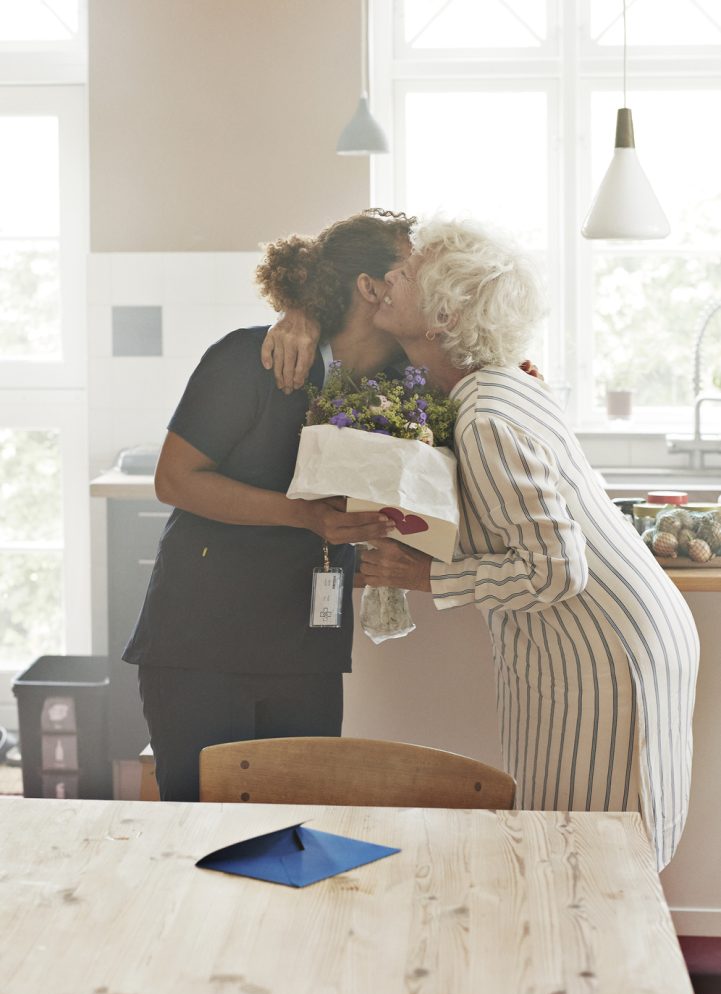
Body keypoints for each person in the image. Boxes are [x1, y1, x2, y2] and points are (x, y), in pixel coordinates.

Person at [355, 218, 699, 870]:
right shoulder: (502, 385)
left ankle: (597, 973)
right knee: (583, 844)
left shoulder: (486, 414)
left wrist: (425, 577)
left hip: (599, 652)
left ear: (444, 314)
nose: (392, 275)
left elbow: (552, 572)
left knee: (589, 855)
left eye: (411, 268)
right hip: (615, 634)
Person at [122, 209, 413, 801]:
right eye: (413, 269)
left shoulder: (407, 382)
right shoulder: (250, 358)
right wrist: (304, 514)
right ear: (371, 287)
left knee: (297, 832)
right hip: (203, 643)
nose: (428, 281)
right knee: (201, 833)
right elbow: (175, 481)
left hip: (310, 646)